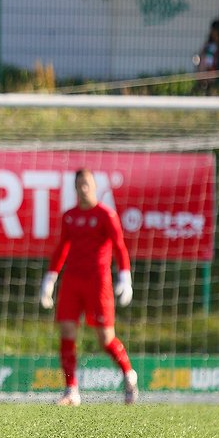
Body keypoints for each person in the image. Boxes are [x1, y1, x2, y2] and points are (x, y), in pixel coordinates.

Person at [38, 168, 137, 406]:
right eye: (80, 184)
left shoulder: (105, 215)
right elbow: (62, 248)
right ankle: (71, 390)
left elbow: (119, 246)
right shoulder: (69, 216)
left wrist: (125, 277)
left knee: (105, 338)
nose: (84, 188)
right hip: (72, 282)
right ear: (75, 187)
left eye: (87, 184)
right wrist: (50, 280)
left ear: (94, 186)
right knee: (67, 332)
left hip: (98, 282)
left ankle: (128, 373)